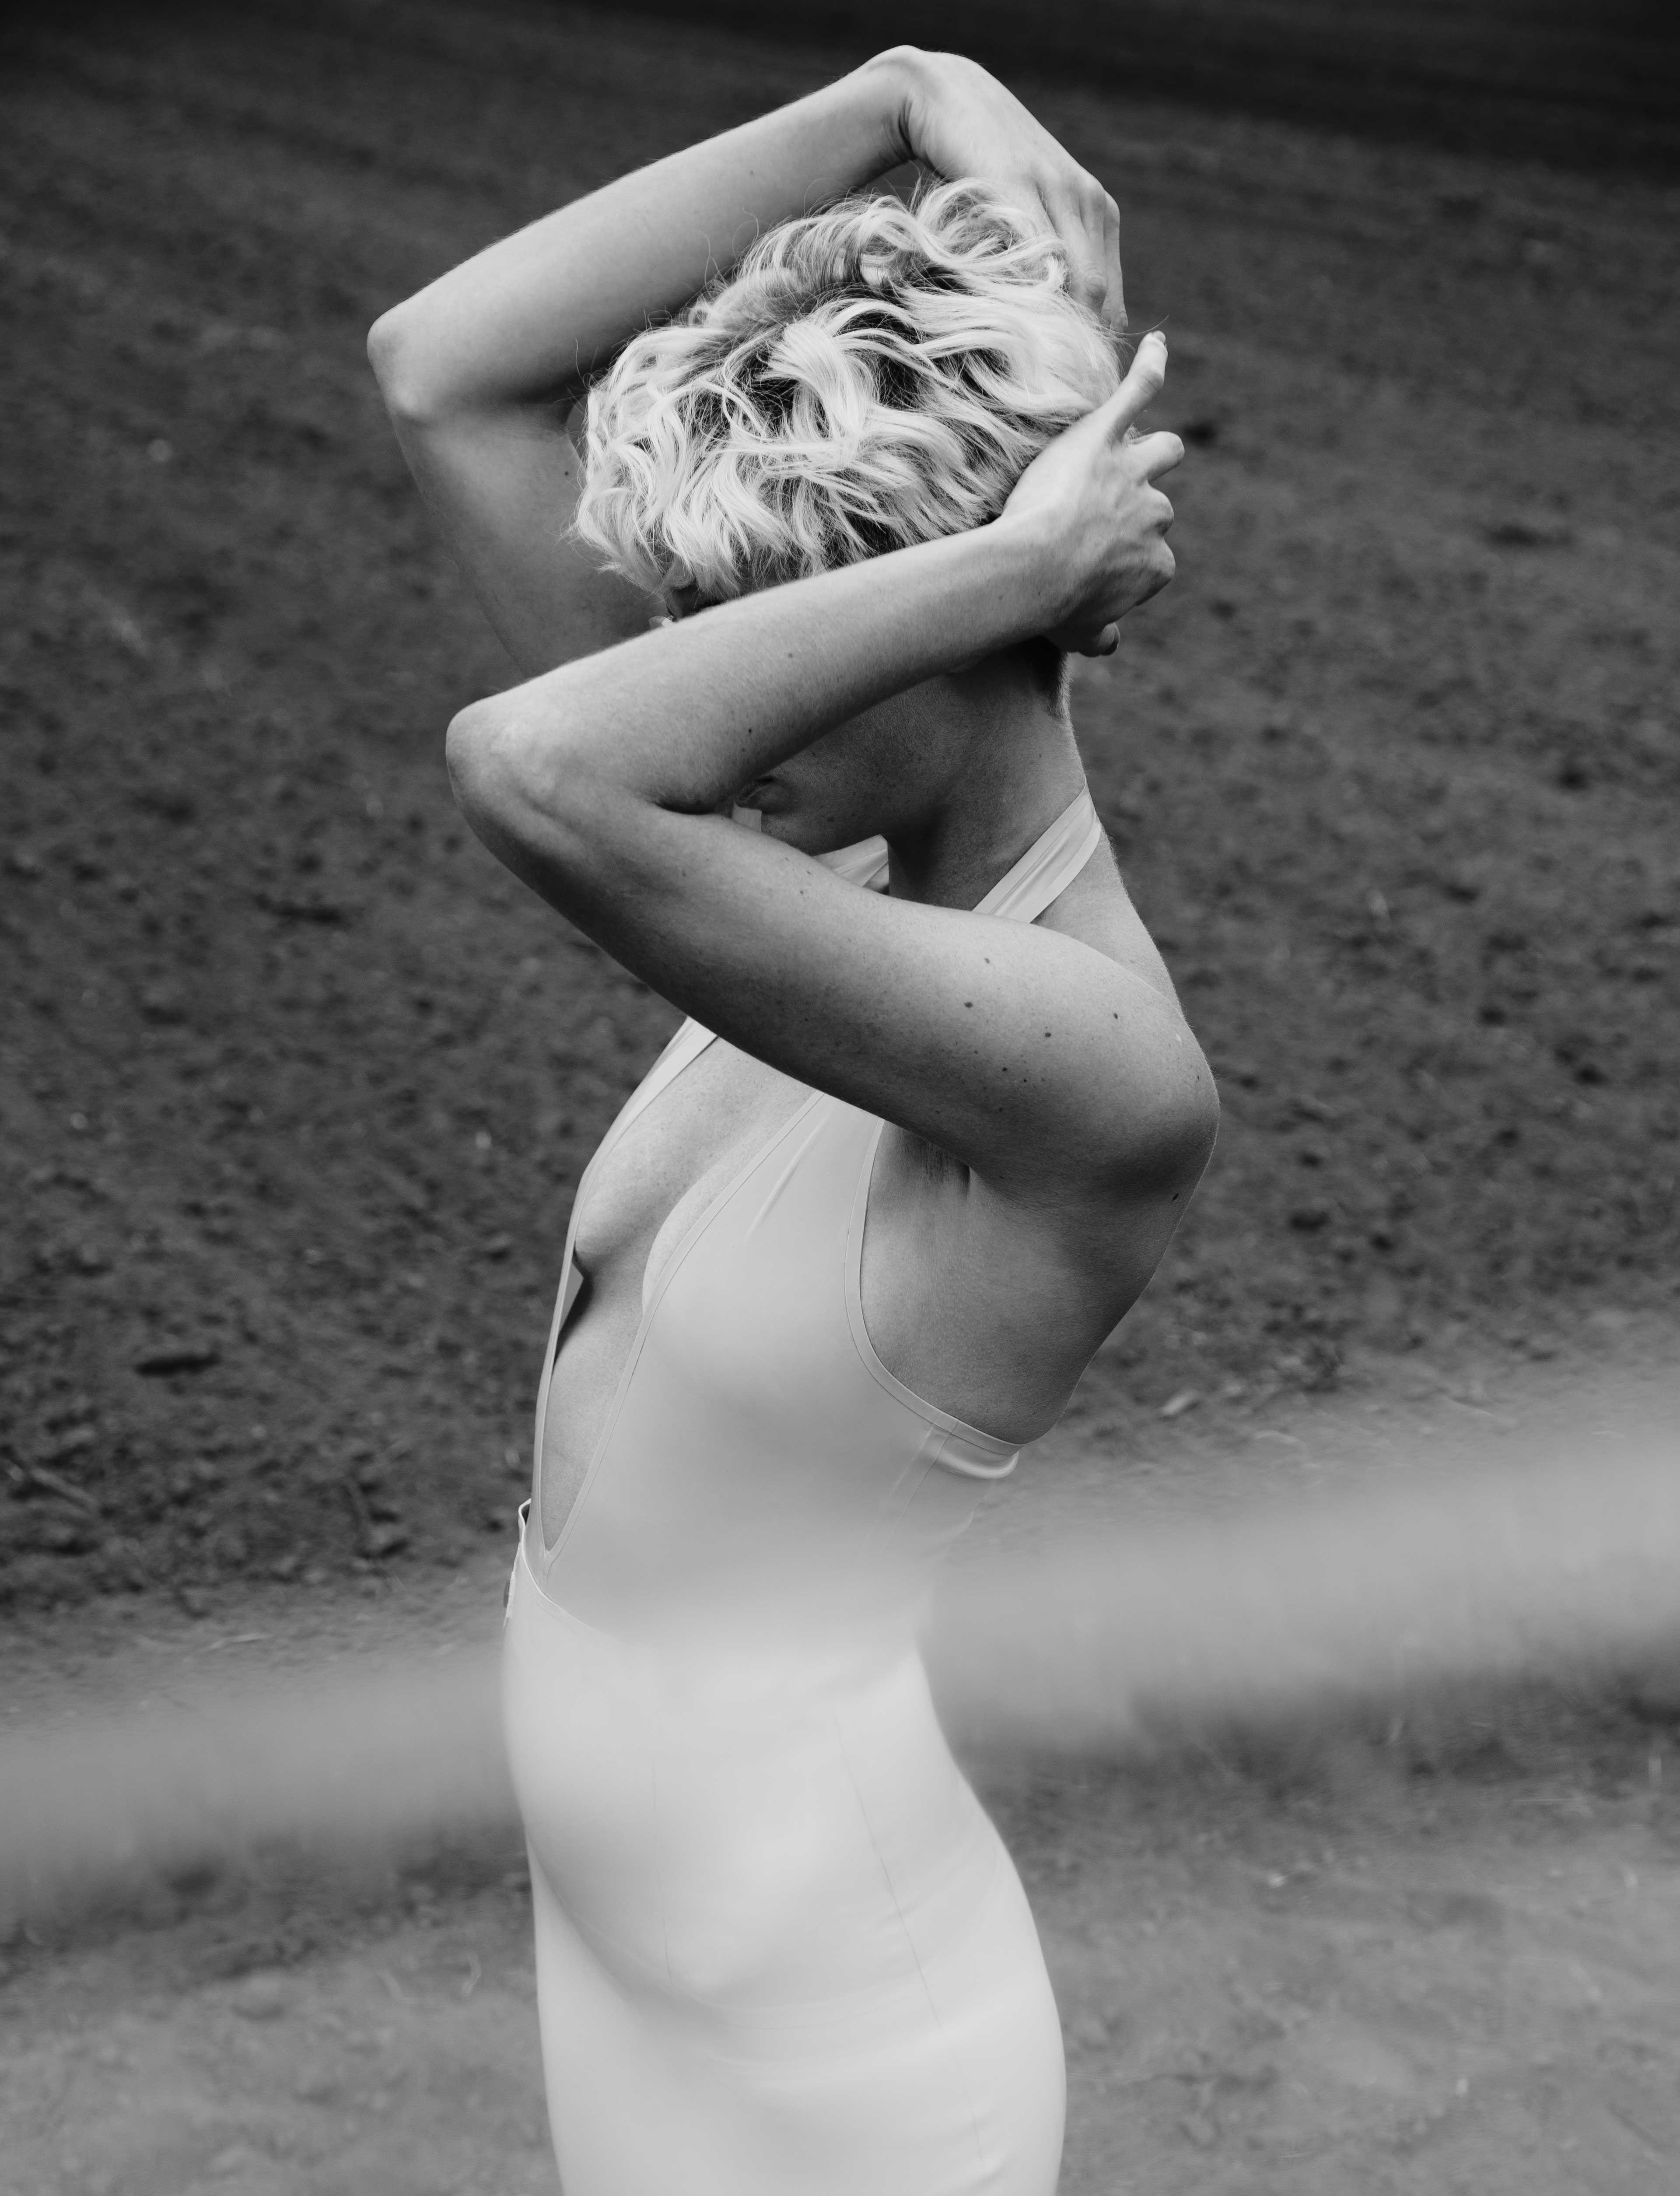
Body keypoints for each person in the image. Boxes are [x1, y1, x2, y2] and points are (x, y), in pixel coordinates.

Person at [368, 44, 1216, 2195]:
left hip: (844, 2054)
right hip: (631, 1952)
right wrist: (903, 95)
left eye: (734, 629)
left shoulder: (1091, 1065)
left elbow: (532, 765)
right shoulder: (816, 861)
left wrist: (1016, 574)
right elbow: (439, 372)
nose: (694, 679)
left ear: (964, 619)